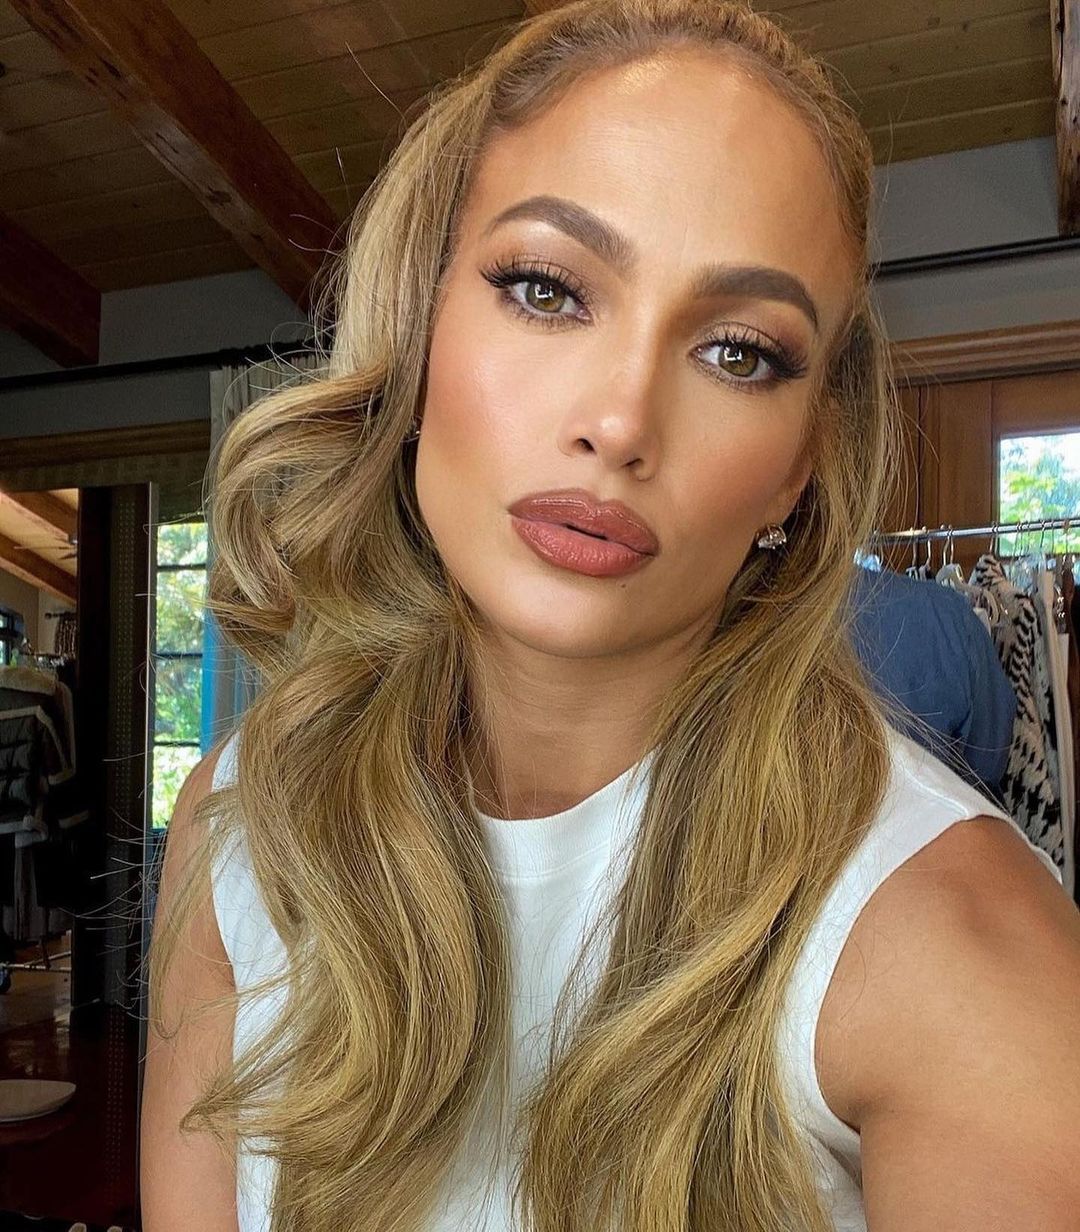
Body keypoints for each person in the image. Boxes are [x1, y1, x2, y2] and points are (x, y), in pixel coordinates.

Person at [139, 2, 1080, 1230]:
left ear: (797, 468)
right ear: (417, 330)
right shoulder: (240, 820)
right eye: (546, 288)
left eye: (738, 352)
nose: (622, 422)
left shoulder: (959, 943)